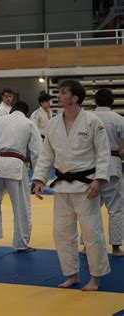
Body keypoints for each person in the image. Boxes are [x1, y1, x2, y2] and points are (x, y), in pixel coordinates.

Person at [32, 79, 111, 291]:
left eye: (64, 92)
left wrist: (99, 180)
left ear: (75, 97)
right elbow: (46, 154)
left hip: (86, 187)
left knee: (91, 233)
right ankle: (71, 274)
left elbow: (104, 153)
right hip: (62, 187)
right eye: (59, 92)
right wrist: (39, 178)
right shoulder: (53, 123)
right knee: (61, 233)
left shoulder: (93, 122)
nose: (59, 95)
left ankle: (95, 277)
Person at [0, 101, 42, 252]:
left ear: (12, 110)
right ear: (25, 112)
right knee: (21, 206)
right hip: (15, 165)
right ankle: (21, 244)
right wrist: (38, 178)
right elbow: (37, 152)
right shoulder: (29, 123)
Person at [87, 88, 123, 256]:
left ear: (95, 101)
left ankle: (87, 247)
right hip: (113, 165)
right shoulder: (118, 119)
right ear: (112, 102)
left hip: (91, 167)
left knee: (89, 209)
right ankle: (116, 248)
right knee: (116, 207)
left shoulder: (87, 119)